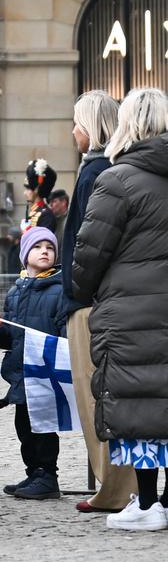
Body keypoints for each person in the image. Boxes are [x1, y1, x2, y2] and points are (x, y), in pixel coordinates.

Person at [72, 87, 168, 531]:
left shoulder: (117, 178)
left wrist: (81, 290)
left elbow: (90, 251)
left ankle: (147, 503)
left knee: (140, 402)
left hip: (132, 308)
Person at [62, 90, 134, 513]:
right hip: (105, 298)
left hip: (90, 302)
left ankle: (112, 488)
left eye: (77, 122)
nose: (73, 131)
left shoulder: (95, 174)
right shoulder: (111, 169)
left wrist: (74, 288)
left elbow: (87, 246)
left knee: (96, 398)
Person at [0, 226, 66, 500]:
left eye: (50, 247)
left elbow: (64, 333)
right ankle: (34, 472)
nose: (45, 251)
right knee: (24, 426)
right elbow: (11, 338)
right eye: (38, 247)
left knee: (42, 427)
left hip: (44, 373)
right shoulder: (16, 292)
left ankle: (47, 475)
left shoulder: (59, 291)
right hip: (21, 373)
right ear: (24, 255)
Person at [22, 158, 57, 232]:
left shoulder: (46, 215)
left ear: (36, 189)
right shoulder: (35, 211)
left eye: (28, 189)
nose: (25, 193)